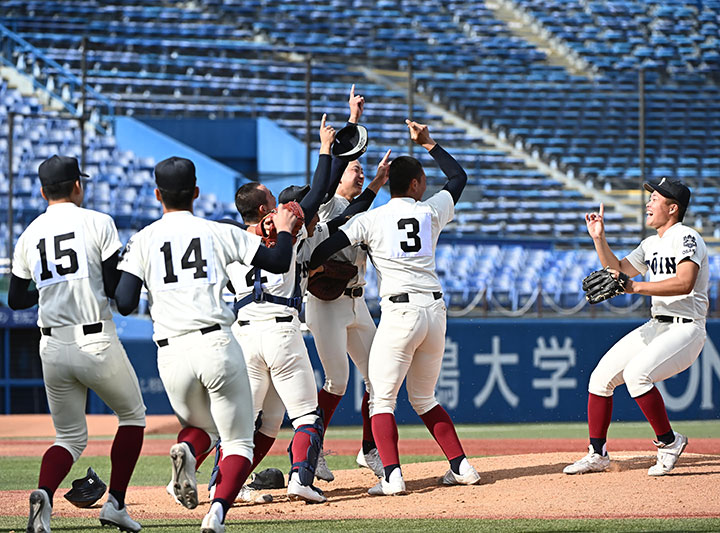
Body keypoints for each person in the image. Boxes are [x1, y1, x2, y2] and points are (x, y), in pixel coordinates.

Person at [114, 156, 297, 532]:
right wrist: (287, 229)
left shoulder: (141, 239)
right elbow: (278, 262)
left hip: (170, 351)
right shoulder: (220, 231)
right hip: (215, 341)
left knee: (205, 430)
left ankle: (188, 449)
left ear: (156, 194)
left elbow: (126, 301)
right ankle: (215, 513)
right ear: (196, 192)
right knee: (239, 442)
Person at [309, 120, 481, 496]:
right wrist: (428, 143)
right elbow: (458, 177)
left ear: (390, 184)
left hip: (400, 313)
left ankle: (392, 475)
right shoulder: (430, 211)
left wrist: (315, 264)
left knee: (383, 399)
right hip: (435, 312)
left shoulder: (372, 219)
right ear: (417, 184)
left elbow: (327, 246)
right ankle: (462, 466)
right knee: (425, 398)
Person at [8, 155, 146, 533]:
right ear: (77, 186)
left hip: (52, 344)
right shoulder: (98, 221)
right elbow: (117, 291)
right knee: (132, 417)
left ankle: (44, 494)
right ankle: (115, 503)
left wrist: (52, 290)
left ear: (41, 190)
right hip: (95, 337)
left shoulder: (29, 233)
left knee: (68, 437)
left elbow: (16, 299)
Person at [564, 178, 708, 477]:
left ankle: (669, 442)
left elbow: (685, 282)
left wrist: (635, 287)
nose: (648, 203)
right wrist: (598, 239)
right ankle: (597, 453)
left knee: (636, 375)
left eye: (655, 198)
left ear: (673, 207)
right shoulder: (651, 244)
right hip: (658, 325)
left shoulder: (687, 237)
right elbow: (617, 271)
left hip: (687, 328)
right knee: (600, 378)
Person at [227, 115, 336, 503]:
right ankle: (300, 480)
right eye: (272, 201)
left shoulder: (228, 240)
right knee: (307, 414)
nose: (280, 205)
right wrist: (325, 145)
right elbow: (321, 189)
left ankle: (222, 485)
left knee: (253, 424)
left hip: (243, 333)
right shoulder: (284, 228)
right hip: (281, 330)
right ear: (263, 211)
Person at [306, 85, 384, 478]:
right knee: (337, 380)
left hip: (357, 302)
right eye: (358, 168)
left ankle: (368, 448)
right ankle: (311, 451)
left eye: (364, 169)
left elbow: (362, 209)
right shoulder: (324, 206)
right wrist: (352, 121)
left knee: (379, 377)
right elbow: (341, 168)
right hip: (326, 305)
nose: (362, 171)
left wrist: (374, 185)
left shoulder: (363, 209)